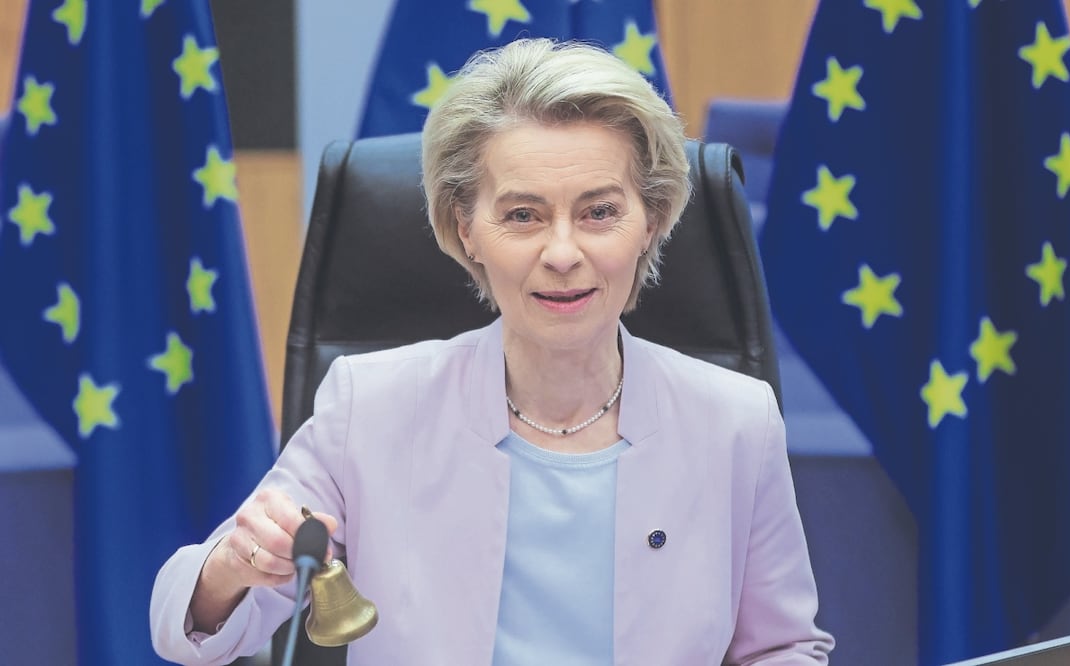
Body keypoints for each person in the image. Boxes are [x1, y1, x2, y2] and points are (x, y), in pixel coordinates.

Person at [150, 38, 834, 665]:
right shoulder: (372, 405)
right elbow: (191, 626)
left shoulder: (733, 419)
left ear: (650, 220)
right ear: (465, 228)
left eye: (598, 212)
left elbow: (781, 646)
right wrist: (234, 565)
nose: (562, 254)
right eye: (522, 215)